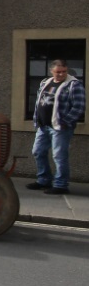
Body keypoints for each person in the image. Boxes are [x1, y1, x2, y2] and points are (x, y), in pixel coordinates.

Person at [28, 59, 85, 195]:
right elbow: (38, 102)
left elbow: (79, 106)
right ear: (51, 71)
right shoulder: (45, 82)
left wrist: (65, 122)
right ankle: (44, 179)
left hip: (60, 127)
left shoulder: (73, 85)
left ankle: (61, 184)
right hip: (43, 126)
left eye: (63, 72)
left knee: (59, 156)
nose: (61, 74)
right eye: (58, 72)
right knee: (38, 151)